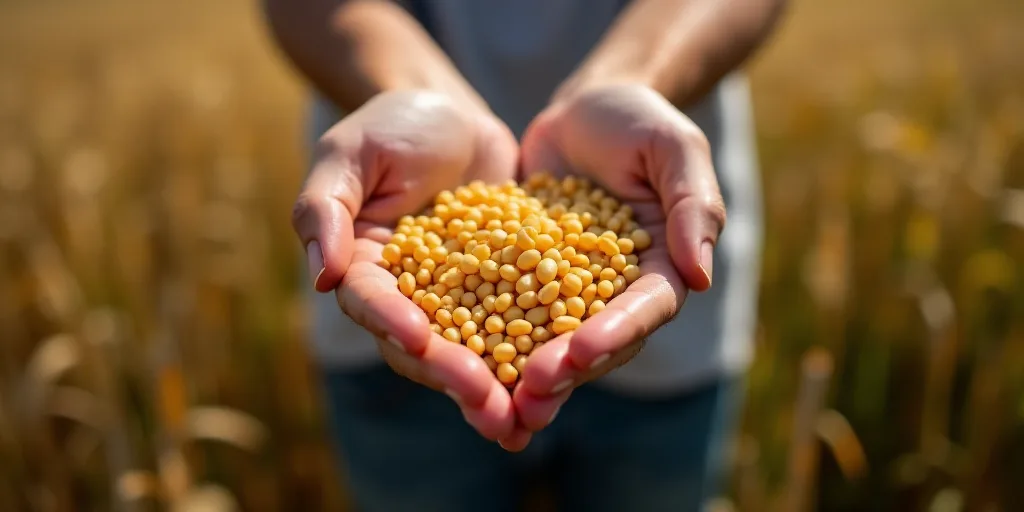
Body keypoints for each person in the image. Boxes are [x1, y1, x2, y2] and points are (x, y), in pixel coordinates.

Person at [263, 1, 786, 510]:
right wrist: (409, 89)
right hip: (389, 318)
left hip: (672, 342)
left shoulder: (575, 261)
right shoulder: (443, 266)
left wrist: (634, 77)